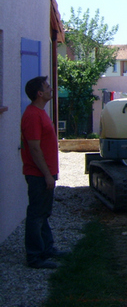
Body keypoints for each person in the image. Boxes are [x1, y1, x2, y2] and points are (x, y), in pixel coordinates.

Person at [21, 76, 68, 268]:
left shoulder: (40, 112)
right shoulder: (32, 115)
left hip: (45, 173)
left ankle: (47, 249)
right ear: (40, 93)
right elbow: (34, 148)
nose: (51, 89)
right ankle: (34, 257)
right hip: (39, 174)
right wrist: (47, 175)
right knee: (36, 215)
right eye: (47, 87)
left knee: (43, 213)